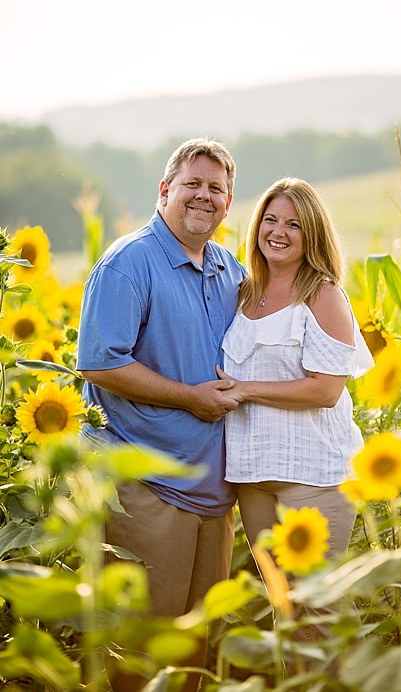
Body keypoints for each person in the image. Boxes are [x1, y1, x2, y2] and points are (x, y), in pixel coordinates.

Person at [78, 137, 244, 692]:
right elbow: (100, 365)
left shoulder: (229, 268)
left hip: (213, 487)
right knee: (144, 647)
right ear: (164, 189)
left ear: (228, 201)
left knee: (197, 645)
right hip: (148, 480)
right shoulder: (130, 262)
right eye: (192, 184)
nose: (203, 196)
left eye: (215, 188)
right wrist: (190, 397)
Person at [216, 177, 373, 632]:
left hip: (315, 477)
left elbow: (326, 389)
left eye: (293, 224)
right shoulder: (245, 294)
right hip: (253, 476)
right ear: (257, 226)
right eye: (270, 219)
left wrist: (245, 388)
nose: (278, 231)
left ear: (312, 235)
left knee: (319, 617)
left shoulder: (322, 294)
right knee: (285, 614)